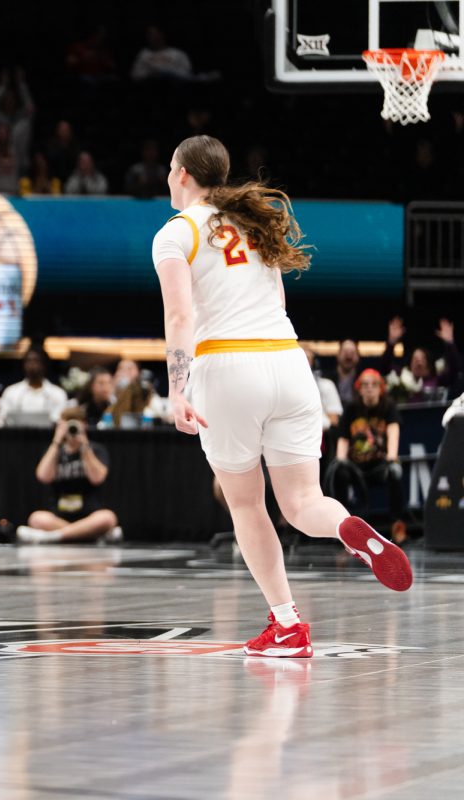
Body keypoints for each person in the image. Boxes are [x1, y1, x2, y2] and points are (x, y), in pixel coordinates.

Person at [152, 135, 412, 660]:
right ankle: (346, 526)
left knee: (248, 505)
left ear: (181, 174)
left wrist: (176, 388)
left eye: (170, 170)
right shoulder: (255, 223)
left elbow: (180, 318)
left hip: (227, 367)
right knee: (303, 503)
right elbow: (278, 300)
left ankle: (289, 625)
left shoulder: (174, 234)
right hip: (290, 365)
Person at [327, 369, 406, 540]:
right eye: (365, 385)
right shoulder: (352, 408)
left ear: (380, 388)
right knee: (339, 472)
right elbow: (343, 438)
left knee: (396, 472)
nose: (369, 388)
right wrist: (341, 459)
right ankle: (344, 526)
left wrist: (392, 457)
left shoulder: (388, 406)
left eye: (373, 385)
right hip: (355, 466)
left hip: (379, 465)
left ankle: (397, 524)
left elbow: (393, 431)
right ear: (359, 389)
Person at [17, 418, 120, 544]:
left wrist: (85, 447)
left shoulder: (96, 449)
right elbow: (43, 476)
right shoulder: (55, 451)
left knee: (107, 517)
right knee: (36, 518)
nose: (72, 432)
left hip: (89, 516)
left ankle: (52, 537)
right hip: (60, 517)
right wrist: (56, 441)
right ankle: (91, 536)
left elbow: (97, 478)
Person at [381, 316, 460, 400]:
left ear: (430, 365)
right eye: (415, 358)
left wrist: (450, 343)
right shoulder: (401, 379)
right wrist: (391, 343)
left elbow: (454, 369)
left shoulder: (438, 380)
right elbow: (385, 368)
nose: (419, 361)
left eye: (423, 358)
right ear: (410, 365)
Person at [0, 348, 67, 426]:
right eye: (28, 361)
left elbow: (58, 421)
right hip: (16, 437)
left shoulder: (58, 393)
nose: (32, 365)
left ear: (44, 364)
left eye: (36, 361)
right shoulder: (11, 392)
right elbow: (2, 420)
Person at [301, 343, 342, 431]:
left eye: (307, 358)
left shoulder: (327, 385)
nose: (302, 361)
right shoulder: (282, 386)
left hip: (319, 437)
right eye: (299, 358)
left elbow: (334, 420)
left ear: (314, 363)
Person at [335, 339, 361, 406]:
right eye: (345, 352)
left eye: (352, 352)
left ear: (358, 357)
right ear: (338, 355)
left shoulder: (362, 379)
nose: (349, 356)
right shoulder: (328, 378)